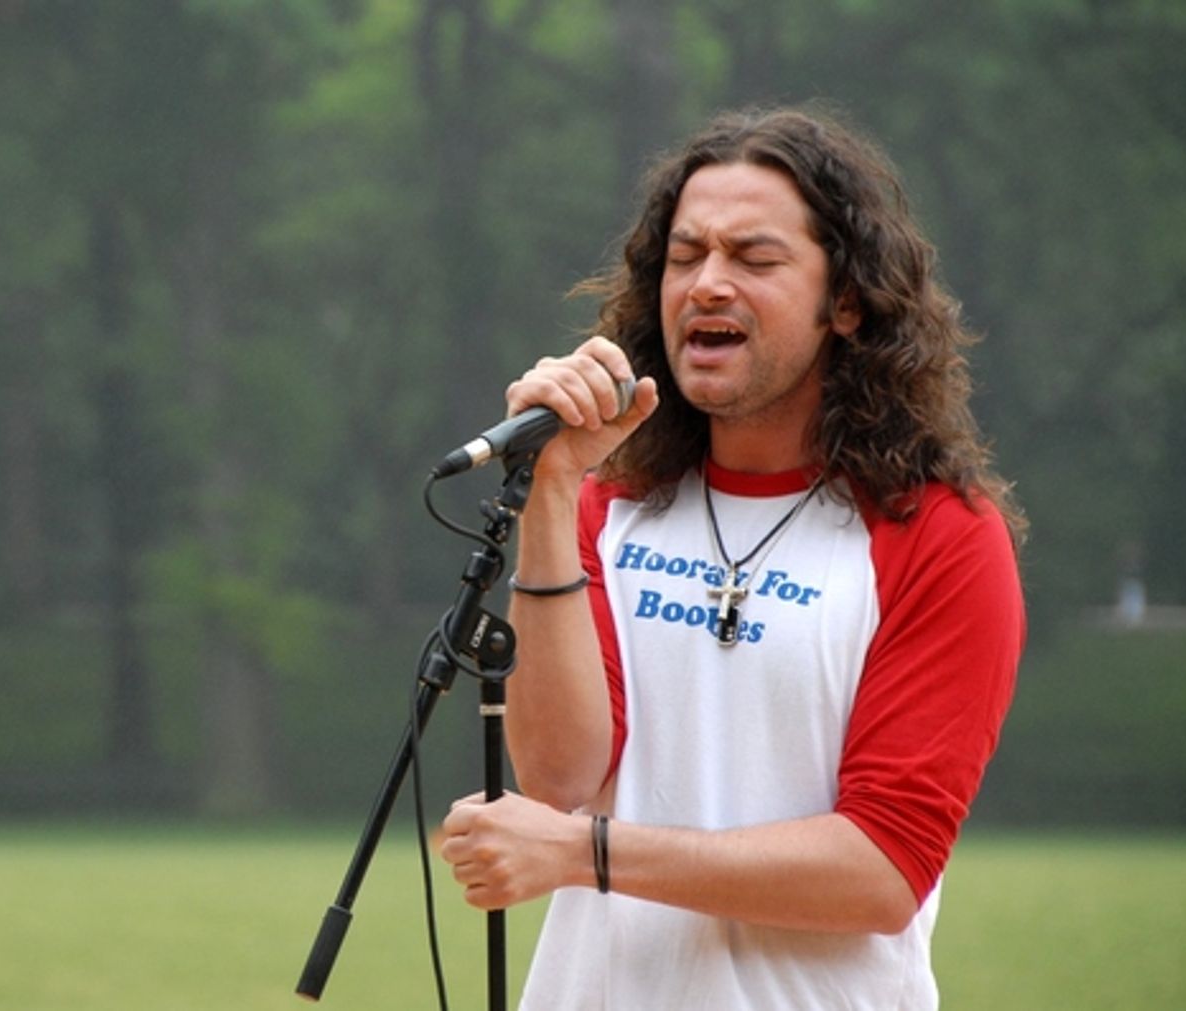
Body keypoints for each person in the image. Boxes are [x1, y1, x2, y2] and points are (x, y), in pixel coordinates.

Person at [438, 104, 1026, 1010]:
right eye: (685, 256)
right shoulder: (608, 502)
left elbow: (880, 869)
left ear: (848, 302)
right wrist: (551, 492)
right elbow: (558, 778)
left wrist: (586, 854)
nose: (708, 284)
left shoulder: (941, 535)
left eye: (754, 259)